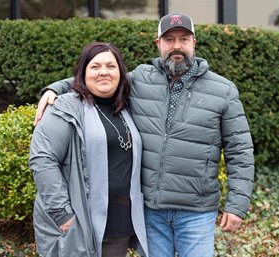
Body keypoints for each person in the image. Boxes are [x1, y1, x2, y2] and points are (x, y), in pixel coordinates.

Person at [34, 13, 254, 257]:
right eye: (169, 39)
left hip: (196, 212)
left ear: (195, 43)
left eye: (184, 38)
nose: (177, 46)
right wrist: (55, 88)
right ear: (158, 44)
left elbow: (240, 152)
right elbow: (100, 77)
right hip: (151, 211)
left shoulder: (223, 91)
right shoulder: (140, 80)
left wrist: (237, 205)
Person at [29, 42, 148, 257]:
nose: (104, 72)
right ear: (83, 72)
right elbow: (43, 159)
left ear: (120, 73)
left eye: (111, 66)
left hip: (118, 224)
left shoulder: (126, 107)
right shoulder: (65, 107)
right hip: (78, 224)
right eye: (95, 67)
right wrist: (62, 214)